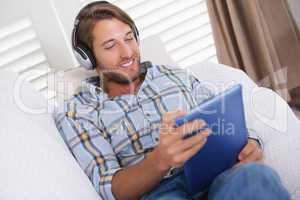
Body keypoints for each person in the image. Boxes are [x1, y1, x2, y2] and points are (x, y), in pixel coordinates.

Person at [54, 1, 291, 200]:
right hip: (159, 193)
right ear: (88, 58)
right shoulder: (79, 112)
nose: (127, 53)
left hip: (215, 176)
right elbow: (108, 187)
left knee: (257, 177)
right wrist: (160, 160)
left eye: (129, 38)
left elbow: (223, 119)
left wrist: (250, 142)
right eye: (110, 46)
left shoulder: (174, 76)